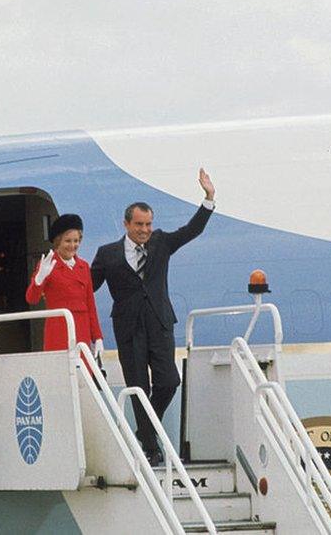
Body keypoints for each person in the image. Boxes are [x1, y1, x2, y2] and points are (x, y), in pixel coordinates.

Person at [91, 168, 215, 465]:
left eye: (148, 224)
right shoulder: (107, 253)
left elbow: (191, 231)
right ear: (126, 224)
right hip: (129, 328)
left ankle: (144, 433)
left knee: (169, 381)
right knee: (138, 388)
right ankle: (150, 446)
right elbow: (88, 286)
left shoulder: (161, 243)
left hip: (159, 324)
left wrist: (208, 199)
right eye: (139, 224)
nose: (145, 230)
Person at [26, 214, 105, 372]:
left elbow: (90, 304)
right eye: (68, 241)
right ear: (58, 242)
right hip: (59, 329)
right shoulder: (48, 264)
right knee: (60, 374)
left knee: (83, 376)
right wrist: (40, 278)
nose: (72, 246)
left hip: (82, 329)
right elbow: (31, 299)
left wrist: (97, 337)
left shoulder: (83, 266)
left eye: (76, 241)